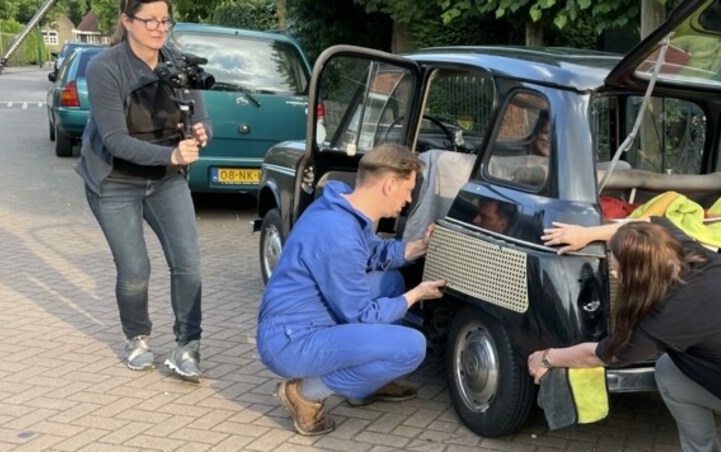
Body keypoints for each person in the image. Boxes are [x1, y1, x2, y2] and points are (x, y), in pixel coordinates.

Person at [257, 143, 447, 436]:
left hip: (304, 320)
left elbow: (372, 254)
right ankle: (305, 394)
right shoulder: (338, 233)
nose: (409, 199)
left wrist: (415, 247)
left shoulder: (342, 208)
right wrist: (416, 295)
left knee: (391, 282)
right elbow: (362, 316)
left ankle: (363, 387)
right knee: (411, 347)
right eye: (408, 189)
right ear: (388, 185)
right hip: (289, 342)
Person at [529, 218, 721, 452]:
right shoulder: (685, 251)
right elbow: (647, 222)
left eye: (618, 265)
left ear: (638, 273)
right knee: (670, 373)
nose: (613, 270)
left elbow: (601, 354)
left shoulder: (669, 315)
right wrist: (587, 234)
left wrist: (548, 357)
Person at [76, 0, 212, 383]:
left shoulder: (178, 62)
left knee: (188, 262)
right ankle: (136, 338)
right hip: (115, 180)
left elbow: (201, 120)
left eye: (164, 20)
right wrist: (171, 153)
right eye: (149, 20)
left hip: (166, 178)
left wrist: (202, 134)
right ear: (126, 21)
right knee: (136, 270)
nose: (158, 27)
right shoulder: (106, 67)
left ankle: (188, 345)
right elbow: (115, 140)